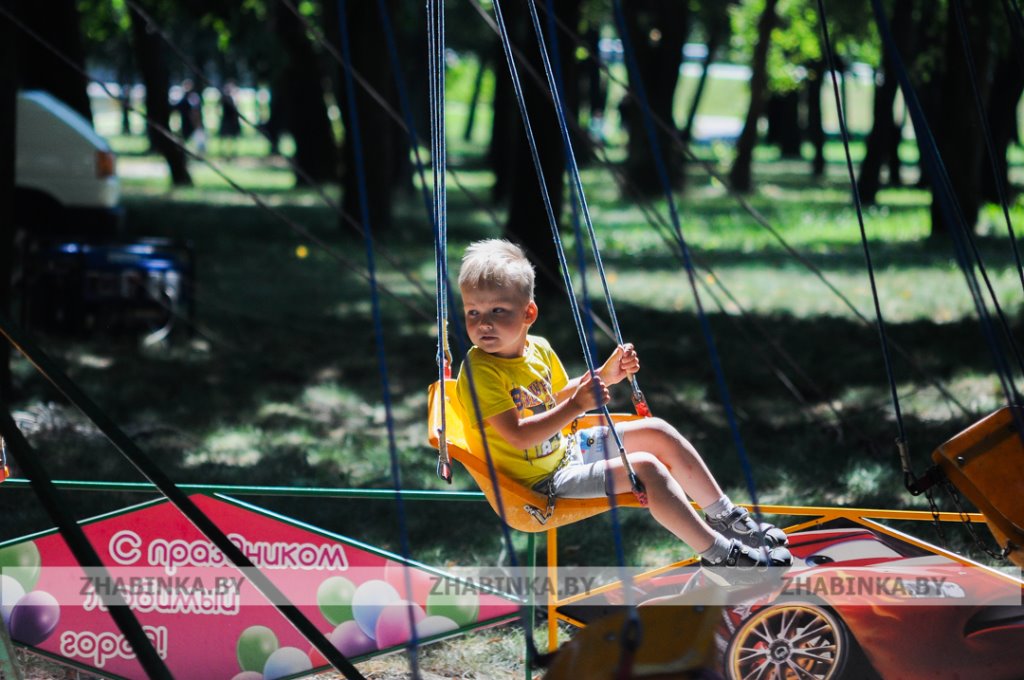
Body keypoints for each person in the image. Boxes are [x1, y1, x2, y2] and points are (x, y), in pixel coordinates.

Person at [455, 239, 791, 577]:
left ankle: (724, 517)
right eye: (473, 312)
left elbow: (552, 397)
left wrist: (605, 375)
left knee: (657, 431)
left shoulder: (538, 349)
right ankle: (719, 556)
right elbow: (518, 436)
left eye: (497, 311)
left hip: (565, 452)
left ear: (528, 313)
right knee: (646, 468)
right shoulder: (480, 371)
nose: (483, 323)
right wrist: (576, 406)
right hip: (540, 485)